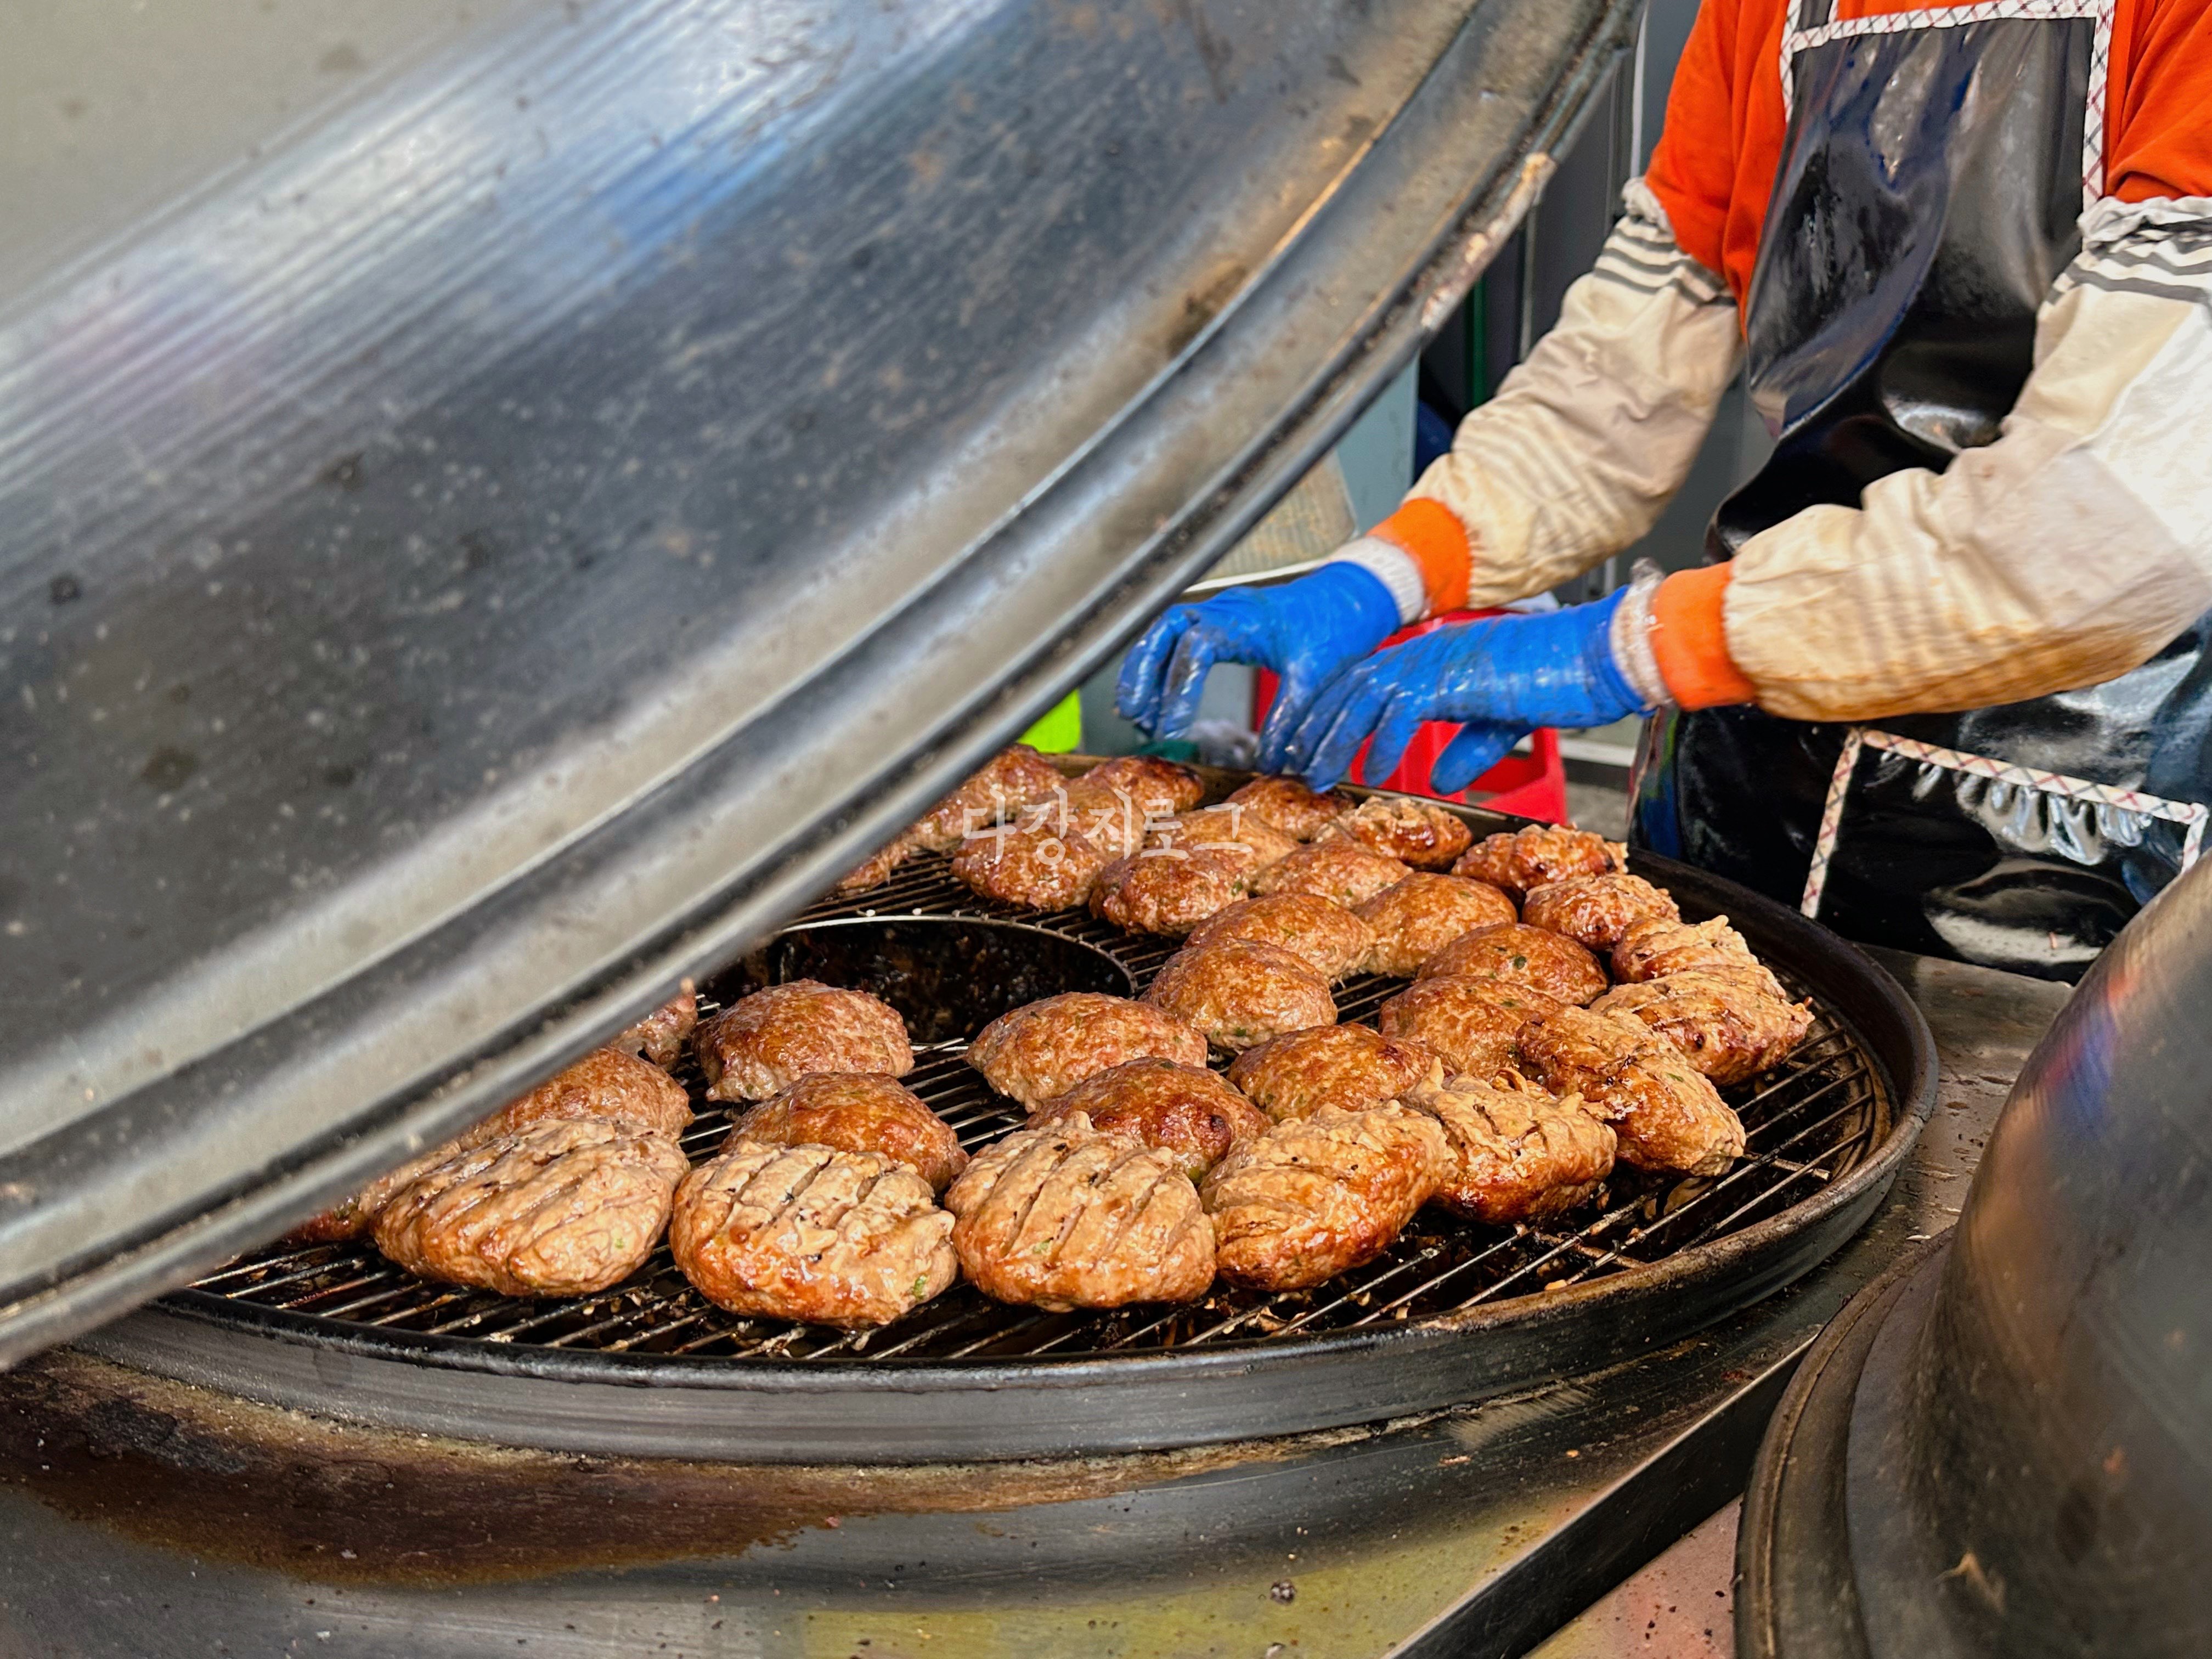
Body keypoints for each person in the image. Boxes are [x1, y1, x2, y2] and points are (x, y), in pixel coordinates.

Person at [1119, 0, 2212, 979]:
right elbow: (1618, 378)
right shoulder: (1773, 13)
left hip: (2061, 857)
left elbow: (2107, 532)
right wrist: (1394, 569)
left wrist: (1634, 646)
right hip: (1749, 793)